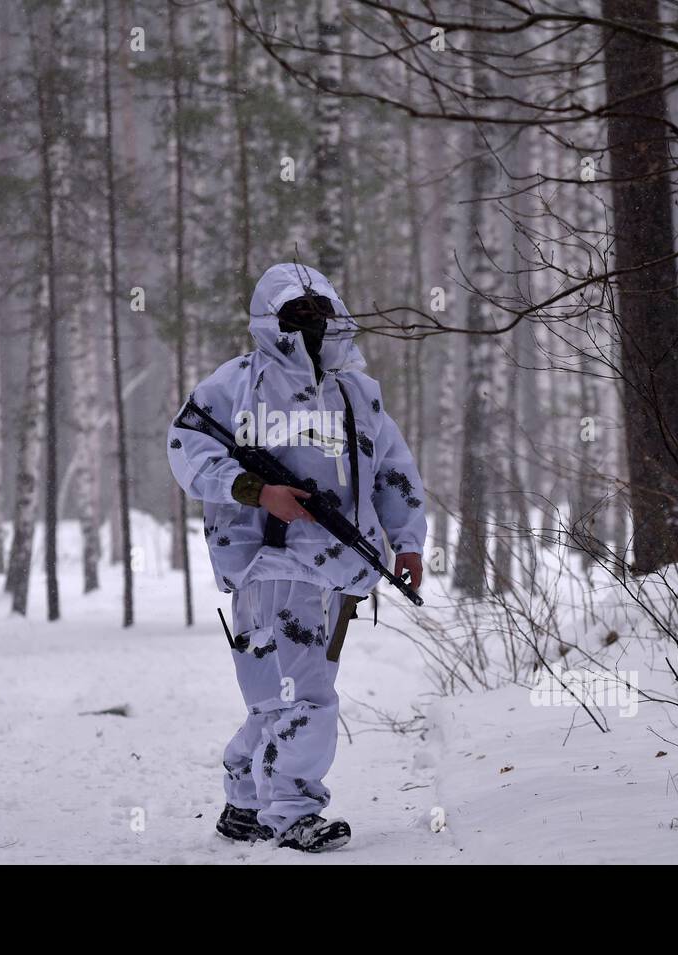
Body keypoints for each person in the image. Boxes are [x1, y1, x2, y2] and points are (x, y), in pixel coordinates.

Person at [167, 263, 427, 852]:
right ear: (270, 319)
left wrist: (407, 540)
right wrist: (260, 492)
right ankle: (292, 810)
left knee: (278, 694)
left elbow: (393, 469)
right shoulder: (232, 387)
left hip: (339, 565)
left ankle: (244, 798)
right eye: (295, 314)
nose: (309, 325)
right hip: (268, 565)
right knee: (305, 697)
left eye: (318, 313)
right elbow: (187, 451)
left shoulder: (358, 392)